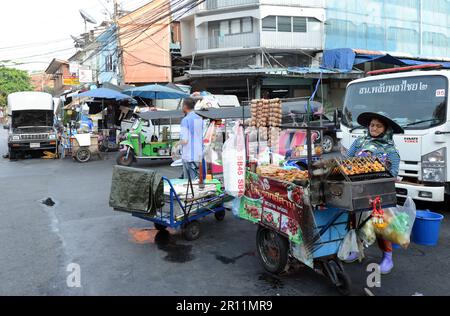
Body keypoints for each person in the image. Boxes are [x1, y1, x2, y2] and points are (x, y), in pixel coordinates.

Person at [344, 112, 404, 275]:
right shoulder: (359, 142)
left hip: (378, 195)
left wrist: (375, 172)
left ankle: (388, 258)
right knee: (354, 223)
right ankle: (357, 250)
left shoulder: (391, 150)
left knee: (380, 226)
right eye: (372, 125)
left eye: (379, 126)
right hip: (357, 190)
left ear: (386, 129)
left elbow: (393, 174)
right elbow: (347, 160)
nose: (374, 128)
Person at [180, 98, 203, 181]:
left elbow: (185, 140)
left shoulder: (185, 120)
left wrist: (176, 144)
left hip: (188, 156)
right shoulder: (200, 119)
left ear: (185, 106)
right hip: (199, 154)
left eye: (182, 105)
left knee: (188, 183)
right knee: (197, 180)